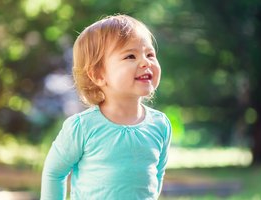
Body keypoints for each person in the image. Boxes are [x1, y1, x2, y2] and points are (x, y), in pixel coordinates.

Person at [40, 14, 172, 200]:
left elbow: (157, 175)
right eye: (130, 56)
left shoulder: (160, 125)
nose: (145, 62)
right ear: (98, 75)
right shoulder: (82, 127)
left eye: (150, 54)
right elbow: (54, 173)